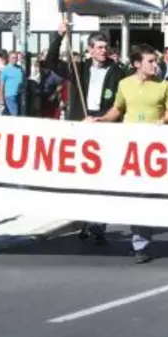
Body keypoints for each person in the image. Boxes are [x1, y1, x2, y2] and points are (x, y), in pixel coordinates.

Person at [88, 44, 168, 263]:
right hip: (127, 147)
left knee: (143, 196)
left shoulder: (164, 86)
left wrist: (165, 119)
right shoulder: (124, 84)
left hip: (151, 149)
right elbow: (117, 110)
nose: (156, 65)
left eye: (156, 61)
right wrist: (100, 119)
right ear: (137, 64)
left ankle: (140, 244)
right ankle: (97, 225)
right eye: (150, 61)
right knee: (118, 190)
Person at [43, 21, 126, 243]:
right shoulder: (79, 69)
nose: (103, 51)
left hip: (105, 124)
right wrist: (59, 36)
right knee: (83, 177)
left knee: (103, 178)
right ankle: (87, 219)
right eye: (98, 47)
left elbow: (121, 101)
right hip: (82, 123)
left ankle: (98, 224)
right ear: (90, 49)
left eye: (104, 47)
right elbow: (50, 62)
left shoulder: (117, 71)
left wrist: (103, 118)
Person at [0, 51, 25, 116]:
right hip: (10, 96)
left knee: (19, 114)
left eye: (16, 58)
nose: (15, 59)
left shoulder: (20, 68)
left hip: (20, 95)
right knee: (14, 114)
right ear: (9, 58)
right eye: (13, 58)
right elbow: (2, 85)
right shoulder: (5, 69)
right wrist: (1, 97)